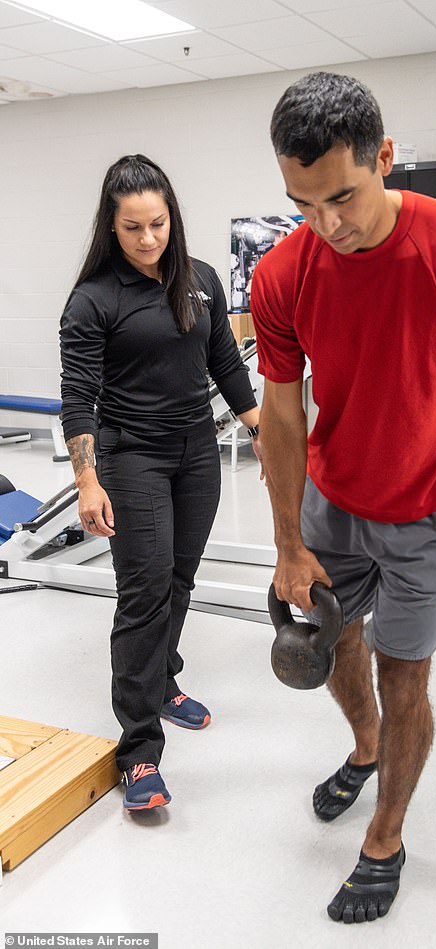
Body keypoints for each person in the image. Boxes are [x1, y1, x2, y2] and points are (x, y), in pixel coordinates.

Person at [250, 72, 436, 923]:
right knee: (334, 643)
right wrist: (286, 543)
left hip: (429, 513)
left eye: (340, 195)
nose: (326, 224)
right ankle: (365, 744)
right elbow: (279, 410)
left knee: (404, 674)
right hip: (329, 505)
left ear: (385, 156)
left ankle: (386, 833)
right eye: (303, 204)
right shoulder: (282, 273)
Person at [60, 155, 261, 811]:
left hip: (196, 452)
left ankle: (164, 678)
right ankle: (139, 751)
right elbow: (78, 396)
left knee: (179, 578)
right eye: (132, 228)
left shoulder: (199, 278)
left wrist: (264, 432)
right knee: (144, 592)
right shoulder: (93, 299)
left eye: (157, 223)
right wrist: (87, 480)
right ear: (110, 228)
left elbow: (225, 364)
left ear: (171, 216)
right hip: (131, 456)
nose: (148, 239)